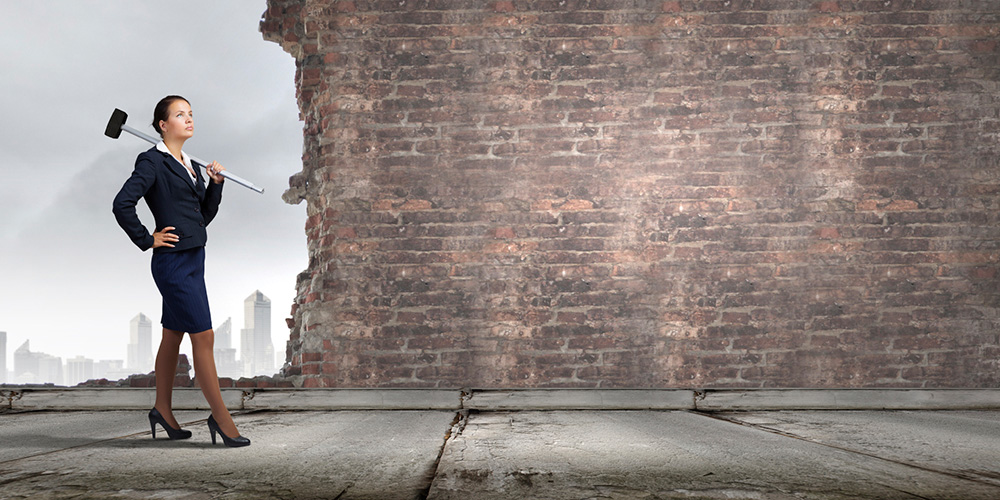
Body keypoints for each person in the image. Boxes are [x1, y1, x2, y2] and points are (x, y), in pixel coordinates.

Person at [112, 95, 250, 448]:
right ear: (162, 125)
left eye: (190, 113)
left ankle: (162, 409)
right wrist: (148, 238)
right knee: (203, 337)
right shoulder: (152, 162)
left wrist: (215, 185)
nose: (188, 119)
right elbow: (122, 204)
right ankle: (221, 418)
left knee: (172, 335)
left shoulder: (190, 165)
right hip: (172, 264)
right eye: (179, 114)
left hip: (194, 260)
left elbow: (200, 219)